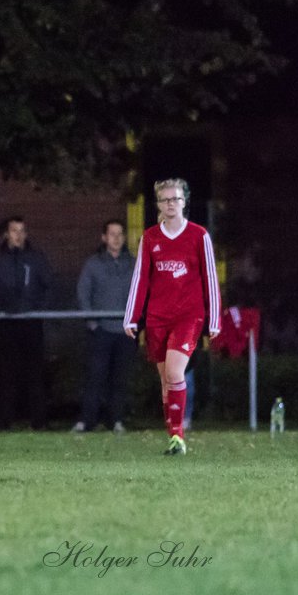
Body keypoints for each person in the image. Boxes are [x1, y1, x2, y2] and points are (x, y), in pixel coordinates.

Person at [124, 178, 221, 455]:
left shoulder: (199, 235)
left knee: (175, 372)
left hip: (188, 317)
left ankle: (179, 436)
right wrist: (132, 317)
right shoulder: (150, 238)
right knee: (166, 381)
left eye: (175, 199)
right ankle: (173, 436)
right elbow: (140, 279)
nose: (170, 204)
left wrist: (214, 319)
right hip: (157, 318)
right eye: (165, 200)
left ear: (184, 201)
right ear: (158, 204)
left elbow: (210, 279)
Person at [0, 216, 53, 430]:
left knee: (35, 373)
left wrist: (35, 308)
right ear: (6, 234)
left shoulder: (36, 259)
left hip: (31, 323)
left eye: (21, 231)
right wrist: (2, 307)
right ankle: (3, 422)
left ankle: (39, 422)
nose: (18, 235)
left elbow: (48, 286)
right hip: (5, 323)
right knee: (5, 373)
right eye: (13, 230)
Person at [73, 219, 136, 434]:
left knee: (120, 379)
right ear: (104, 238)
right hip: (101, 331)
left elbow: (142, 293)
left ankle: (116, 420)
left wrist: (136, 322)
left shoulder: (134, 264)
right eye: (112, 234)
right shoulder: (93, 264)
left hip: (125, 332)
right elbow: (83, 293)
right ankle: (86, 421)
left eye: (120, 234)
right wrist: (92, 323)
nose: (116, 238)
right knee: (95, 378)